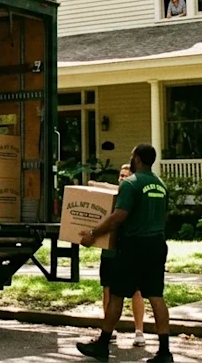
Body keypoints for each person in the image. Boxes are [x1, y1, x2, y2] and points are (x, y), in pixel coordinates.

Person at [77, 144, 172, 362]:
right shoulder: (160, 185)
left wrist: (93, 233)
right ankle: (165, 352)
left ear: (137, 159)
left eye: (132, 157)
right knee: (156, 296)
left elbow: (119, 215)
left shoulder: (131, 184)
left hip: (133, 246)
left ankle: (103, 345)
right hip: (157, 244)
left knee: (117, 294)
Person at [99, 164, 146, 348]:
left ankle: (139, 331)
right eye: (120, 175)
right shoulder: (109, 197)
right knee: (107, 289)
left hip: (129, 250)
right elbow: (92, 184)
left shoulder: (134, 197)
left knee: (135, 291)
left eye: (126, 176)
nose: (122, 178)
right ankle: (109, 331)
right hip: (109, 251)